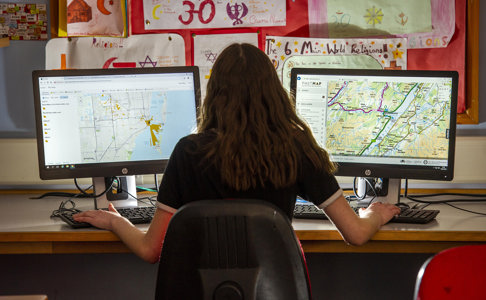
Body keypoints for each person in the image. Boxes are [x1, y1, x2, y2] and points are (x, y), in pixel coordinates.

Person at [73, 43, 400, 263]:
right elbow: (355, 235)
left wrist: (116, 222)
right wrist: (375, 214)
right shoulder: (295, 147)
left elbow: (151, 250)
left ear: (215, 95)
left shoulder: (188, 153)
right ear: (274, 92)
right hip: (275, 289)